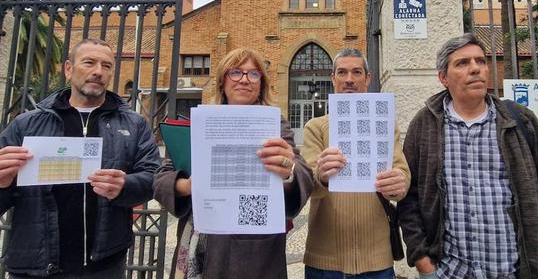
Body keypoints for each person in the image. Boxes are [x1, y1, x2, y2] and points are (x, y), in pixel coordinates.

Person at [398, 33, 538, 279]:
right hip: (448, 273)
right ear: (443, 78)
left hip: (515, 272)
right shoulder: (425, 125)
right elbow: (409, 198)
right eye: (462, 63)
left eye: (480, 61)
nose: (475, 68)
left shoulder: (520, 121)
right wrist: (423, 263)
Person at [0, 38, 161, 278]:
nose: (98, 72)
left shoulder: (134, 124)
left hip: (105, 265)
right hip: (36, 264)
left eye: (106, 66)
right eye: (89, 63)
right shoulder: (27, 124)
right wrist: (2, 183)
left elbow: (154, 178)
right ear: (68, 68)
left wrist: (125, 185)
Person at [153, 48, 313, 279]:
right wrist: (185, 186)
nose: (244, 80)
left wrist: (289, 172)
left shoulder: (274, 124)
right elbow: (162, 174)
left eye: (253, 74)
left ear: (261, 83)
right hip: (201, 243)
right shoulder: (203, 121)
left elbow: (303, 173)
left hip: (254, 252)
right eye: (235, 72)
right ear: (222, 82)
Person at [300, 48, 410, 279]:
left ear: (367, 79)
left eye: (357, 72)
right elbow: (306, 185)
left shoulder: (386, 124)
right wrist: (321, 175)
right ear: (333, 79)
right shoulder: (315, 127)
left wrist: (400, 183)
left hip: (377, 260)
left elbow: (401, 172)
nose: (349, 79)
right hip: (325, 261)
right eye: (342, 72)